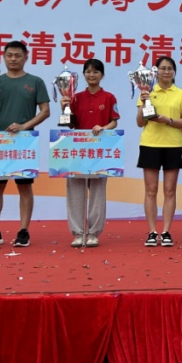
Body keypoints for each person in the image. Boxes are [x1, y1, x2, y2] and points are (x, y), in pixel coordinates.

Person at [0, 40, 50, 248]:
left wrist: (25, 126)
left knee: (24, 186)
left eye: (18, 55)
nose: (13, 59)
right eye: (9, 55)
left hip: (23, 141)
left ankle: (23, 231)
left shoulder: (35, 82)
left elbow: (45, 111)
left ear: (26, 57)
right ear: (4, 57)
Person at [60, 58, 119, 248]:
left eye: (95, 71)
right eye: (88, 71)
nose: (91, 75)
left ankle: (93, 233)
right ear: (83, 74)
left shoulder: (109, 97)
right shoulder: (75, 97)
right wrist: (64, 108)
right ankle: (78, 233)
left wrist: (103, 127)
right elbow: (70, 124)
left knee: (97, 193)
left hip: (99, 151)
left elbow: (114, 121)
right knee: (75, 192)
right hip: (77, 150)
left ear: (102, 75)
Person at [136, 56, 182, 247]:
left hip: (173, 145)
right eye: (162, 68)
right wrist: (143, 103)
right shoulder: (147, 92)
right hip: (150, 144)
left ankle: (166, 231)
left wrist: (167, 120)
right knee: (151, 190)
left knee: (169, 190)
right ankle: (152, 232)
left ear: (174, 72)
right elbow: (139, 122)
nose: (166, 72)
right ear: (156, 71)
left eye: (170, 68)